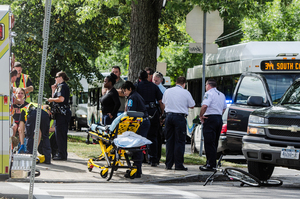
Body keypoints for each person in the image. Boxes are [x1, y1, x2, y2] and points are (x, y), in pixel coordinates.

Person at [162, 76, 195, 171]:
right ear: (184, 84)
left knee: (169, 141)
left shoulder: (168, 91)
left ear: (176, 82)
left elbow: (164, 103)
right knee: (179, 141)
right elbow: (192, 105)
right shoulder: (186, 92)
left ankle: (168, 164)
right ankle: (178, 164)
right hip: (179, 118)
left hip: (169, 117)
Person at [121, 81, 150, 178]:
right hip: (144, 121)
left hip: (140, 123)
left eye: (125, 91)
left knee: (137, 146)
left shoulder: (132, 98)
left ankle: (137, 170)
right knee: (138, 146)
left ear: (129, 89)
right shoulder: (136, 95)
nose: (124, 93)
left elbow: (130, 113)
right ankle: (138, 169)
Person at [135, 70, 164, 167]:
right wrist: (162, 114)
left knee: (140, 136)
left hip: (140, 114)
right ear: (148, 77)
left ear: (139, 78)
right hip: (153, 112)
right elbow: (160, 102)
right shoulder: (154, 87)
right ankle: (153, 159)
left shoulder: (137, 87)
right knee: (153, 137)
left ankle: (141, 157)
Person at [199, 78, 227, 171]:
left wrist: (201, 115)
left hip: (210, 119)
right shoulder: (222, 95)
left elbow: (205, 106)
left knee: (209, 142)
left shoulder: (208, 93)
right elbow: (224, 108)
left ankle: (210, 164)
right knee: (214, 142)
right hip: (219, 119)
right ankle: (213, 163)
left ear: (208, 85)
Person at [47, 71, 71, 161]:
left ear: (61, 77)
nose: (55, 78)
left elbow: (61, 99)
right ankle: (62, 153)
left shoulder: (62, 86)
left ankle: (62, 154)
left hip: (62, 114)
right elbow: (55, 99)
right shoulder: (59, 87)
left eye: (56, 77)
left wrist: (51, 99)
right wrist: (53, 90)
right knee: (59, 134)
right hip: (61, 114)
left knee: (60, 135)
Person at [152, 71, 167, 165]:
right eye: (153, 80)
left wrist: (162, 115)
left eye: (156, 80)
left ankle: (156, 157)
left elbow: (163, 103)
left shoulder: (163, 90)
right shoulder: (152, 87)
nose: (154, 82)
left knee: (157, 136)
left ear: (161, 81)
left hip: (158, 111)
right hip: (154, 110)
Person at [12, 88, 28, 153]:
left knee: (21, 128)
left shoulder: (26, 104)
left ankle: (22, 145)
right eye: (18, 93)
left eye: (22, 93)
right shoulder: (13, 103)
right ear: (16, 94)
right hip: (14, 121)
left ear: (24, 95)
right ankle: (12, 145)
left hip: (23, 121)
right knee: (14, 127)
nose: (20, 95)